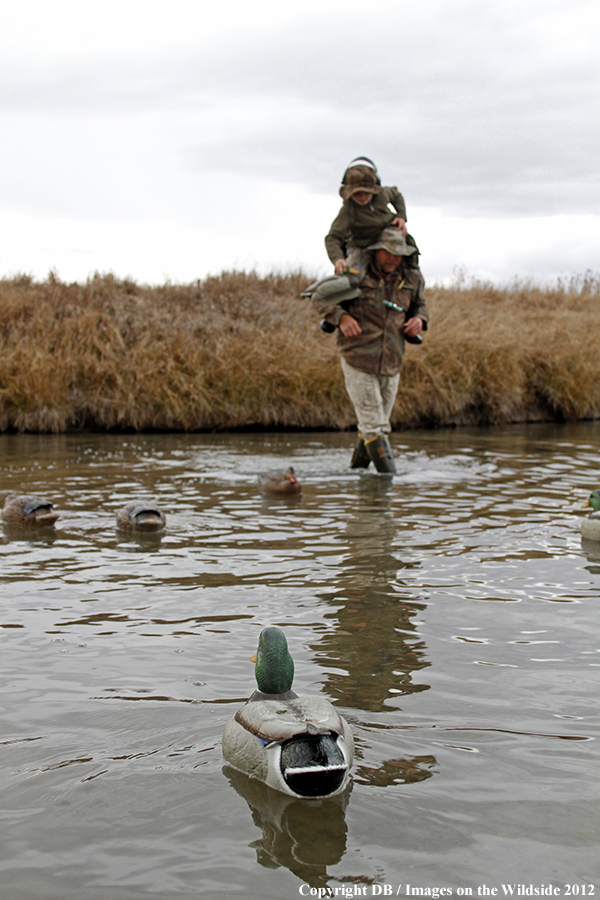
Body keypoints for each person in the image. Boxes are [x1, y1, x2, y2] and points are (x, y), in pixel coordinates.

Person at [305, 228, 429, 474]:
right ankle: (387, 484)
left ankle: (356, 476)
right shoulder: (355, 275)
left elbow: (420, 305)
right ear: (377, 251)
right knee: (375, 427)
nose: (394, 258)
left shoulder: (411, 279)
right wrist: (341, 318)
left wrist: (420, 321)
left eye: (399, 253)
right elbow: (320, 299)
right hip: (358, 357)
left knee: (373, 427)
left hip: (393, 360)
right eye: (389, 252)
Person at [325, 157, 412, 276]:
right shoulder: (348, 210)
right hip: (361, 245)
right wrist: (338, 259)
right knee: (353, 279)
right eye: (357, 193)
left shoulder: (383, 195)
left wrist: (401, 216)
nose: (362, 197)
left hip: (389, 235)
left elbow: (397, 195)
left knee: (411, 256)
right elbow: (332, 237)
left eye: (366, 193)